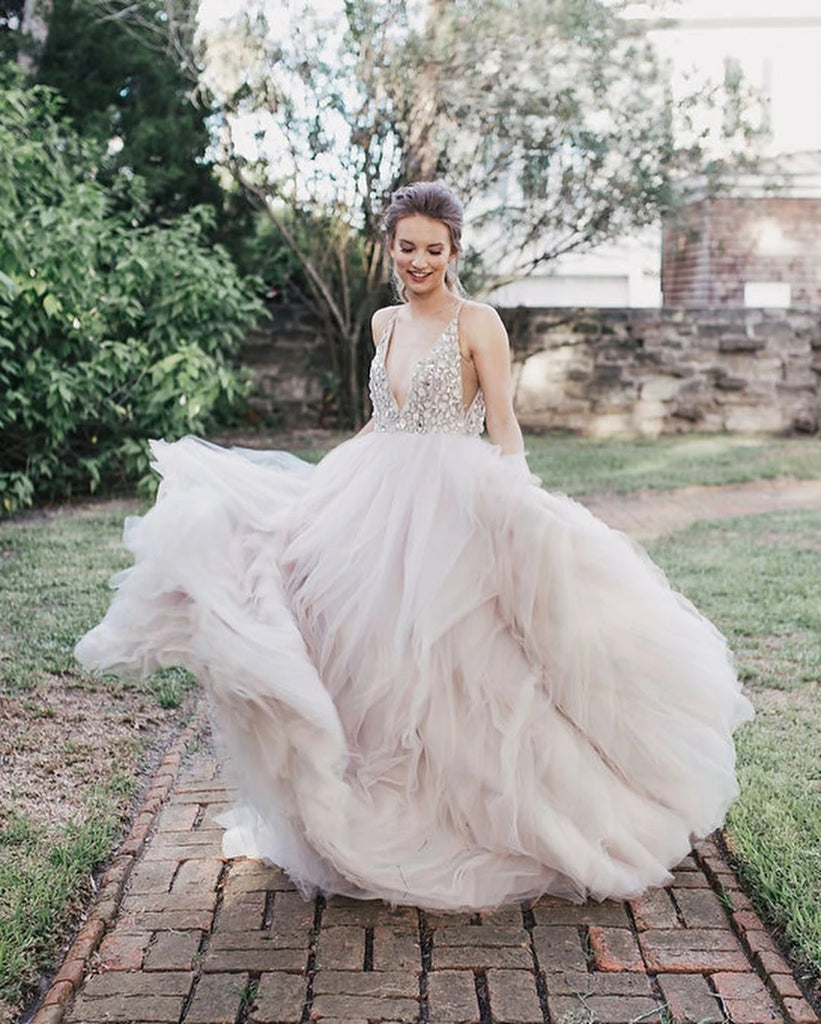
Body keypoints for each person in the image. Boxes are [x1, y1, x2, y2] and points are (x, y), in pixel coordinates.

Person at [76, 181, 754, 911]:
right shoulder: (382, 324)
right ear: (389, 248)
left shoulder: (478, 322)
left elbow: (502, 423)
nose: (419, 260)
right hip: (375, 493)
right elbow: (381, 423)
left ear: (453, 251)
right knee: (351, 635)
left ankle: (481, 813)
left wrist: (516, 500)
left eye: (434, 249)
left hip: (452, 500)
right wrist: (323, 484)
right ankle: (369, 801)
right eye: (407, 247)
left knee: (455, 657)